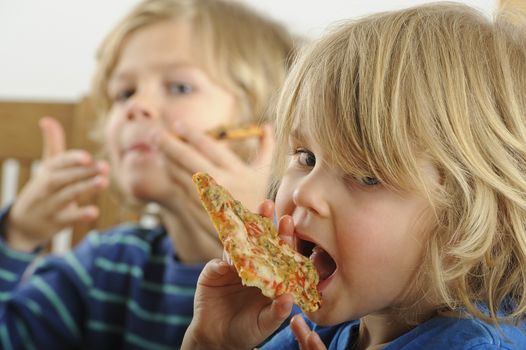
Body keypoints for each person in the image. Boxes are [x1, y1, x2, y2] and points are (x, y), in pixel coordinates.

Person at [181, 3, 526, 349]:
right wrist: (211, 343)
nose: (304, 193)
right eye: (306, 157)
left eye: (366, 176)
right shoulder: (309, 330)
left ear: (471, 220)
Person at [0, 0, 297, 348]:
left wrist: (259, 242)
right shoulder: (103, 267)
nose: (136, 106)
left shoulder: (312, 279)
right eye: (124, 93)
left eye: (179, 87)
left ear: (263, 129)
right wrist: (15, 236)